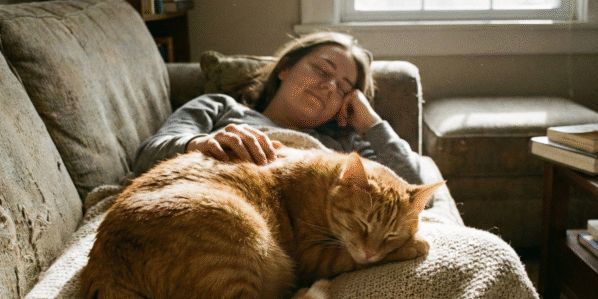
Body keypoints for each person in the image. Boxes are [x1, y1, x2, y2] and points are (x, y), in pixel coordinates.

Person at [132, 31, 424, 185]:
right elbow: (148, 155)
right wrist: (202, 144)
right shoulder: (220, 107)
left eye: (345, 88)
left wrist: (370, 122)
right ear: (285, 68)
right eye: (323, 70)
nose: (330, 86)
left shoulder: (345, 145)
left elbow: (410, 188)